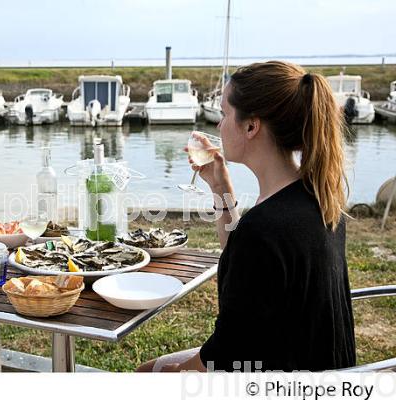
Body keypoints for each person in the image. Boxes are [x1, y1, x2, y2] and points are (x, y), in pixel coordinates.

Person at [137, 61, 356, 372]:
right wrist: (221, 187)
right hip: (322, 370)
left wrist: (173, 373)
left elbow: (225, 353)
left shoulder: (265, 229)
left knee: (147, 374)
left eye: (225, 114)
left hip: (277, 386)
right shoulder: (316, 198)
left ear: (252, 126)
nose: (219, 125)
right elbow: (243, 254)